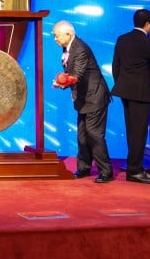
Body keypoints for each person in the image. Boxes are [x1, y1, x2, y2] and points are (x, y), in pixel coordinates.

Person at [111, 8, 150, 184]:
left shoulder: (122, 39)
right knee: (138, 133)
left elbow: (116, 66)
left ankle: (133, 166)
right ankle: (135, 171)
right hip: (140, 93)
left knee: (132, 131)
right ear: (148, 24)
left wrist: (121, 84)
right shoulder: (149, 44)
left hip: (124, 91)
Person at [51, 20, 113, 183]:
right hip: (83, 98)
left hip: (95, 96)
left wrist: (61, 82)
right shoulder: (67, 48)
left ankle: (106, 171)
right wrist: (63, 83)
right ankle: (84, 168)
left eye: (57, 36)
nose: (55, 39)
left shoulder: (79, 49)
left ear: (69, 34)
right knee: (82, 135)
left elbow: (76, 74)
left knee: (94, 134)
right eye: (54, 36)